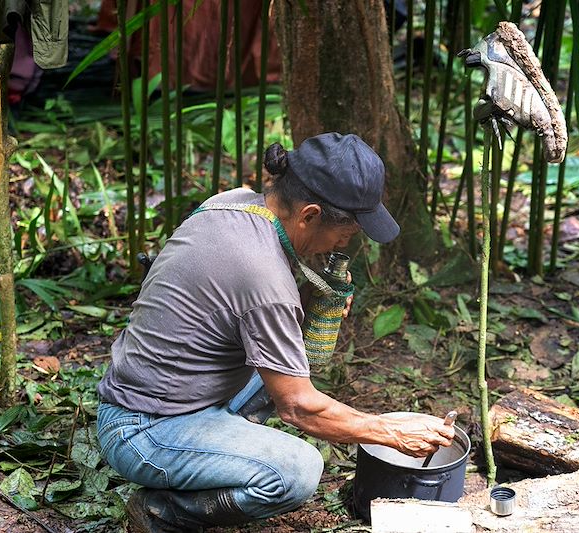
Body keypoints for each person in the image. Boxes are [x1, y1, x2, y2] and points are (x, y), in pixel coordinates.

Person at [96, 132, 455, 532]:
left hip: (158, 392)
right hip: (143, 429)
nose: (343, 246)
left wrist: (310, 295)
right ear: (310, 215)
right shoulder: (265, 278)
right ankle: (161, 512)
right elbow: (297, 406)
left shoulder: (233, 201)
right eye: (347, 235)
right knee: (297, 471)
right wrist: (386, 430)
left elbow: (243, 307)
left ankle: (220, 450)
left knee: (288, 366)